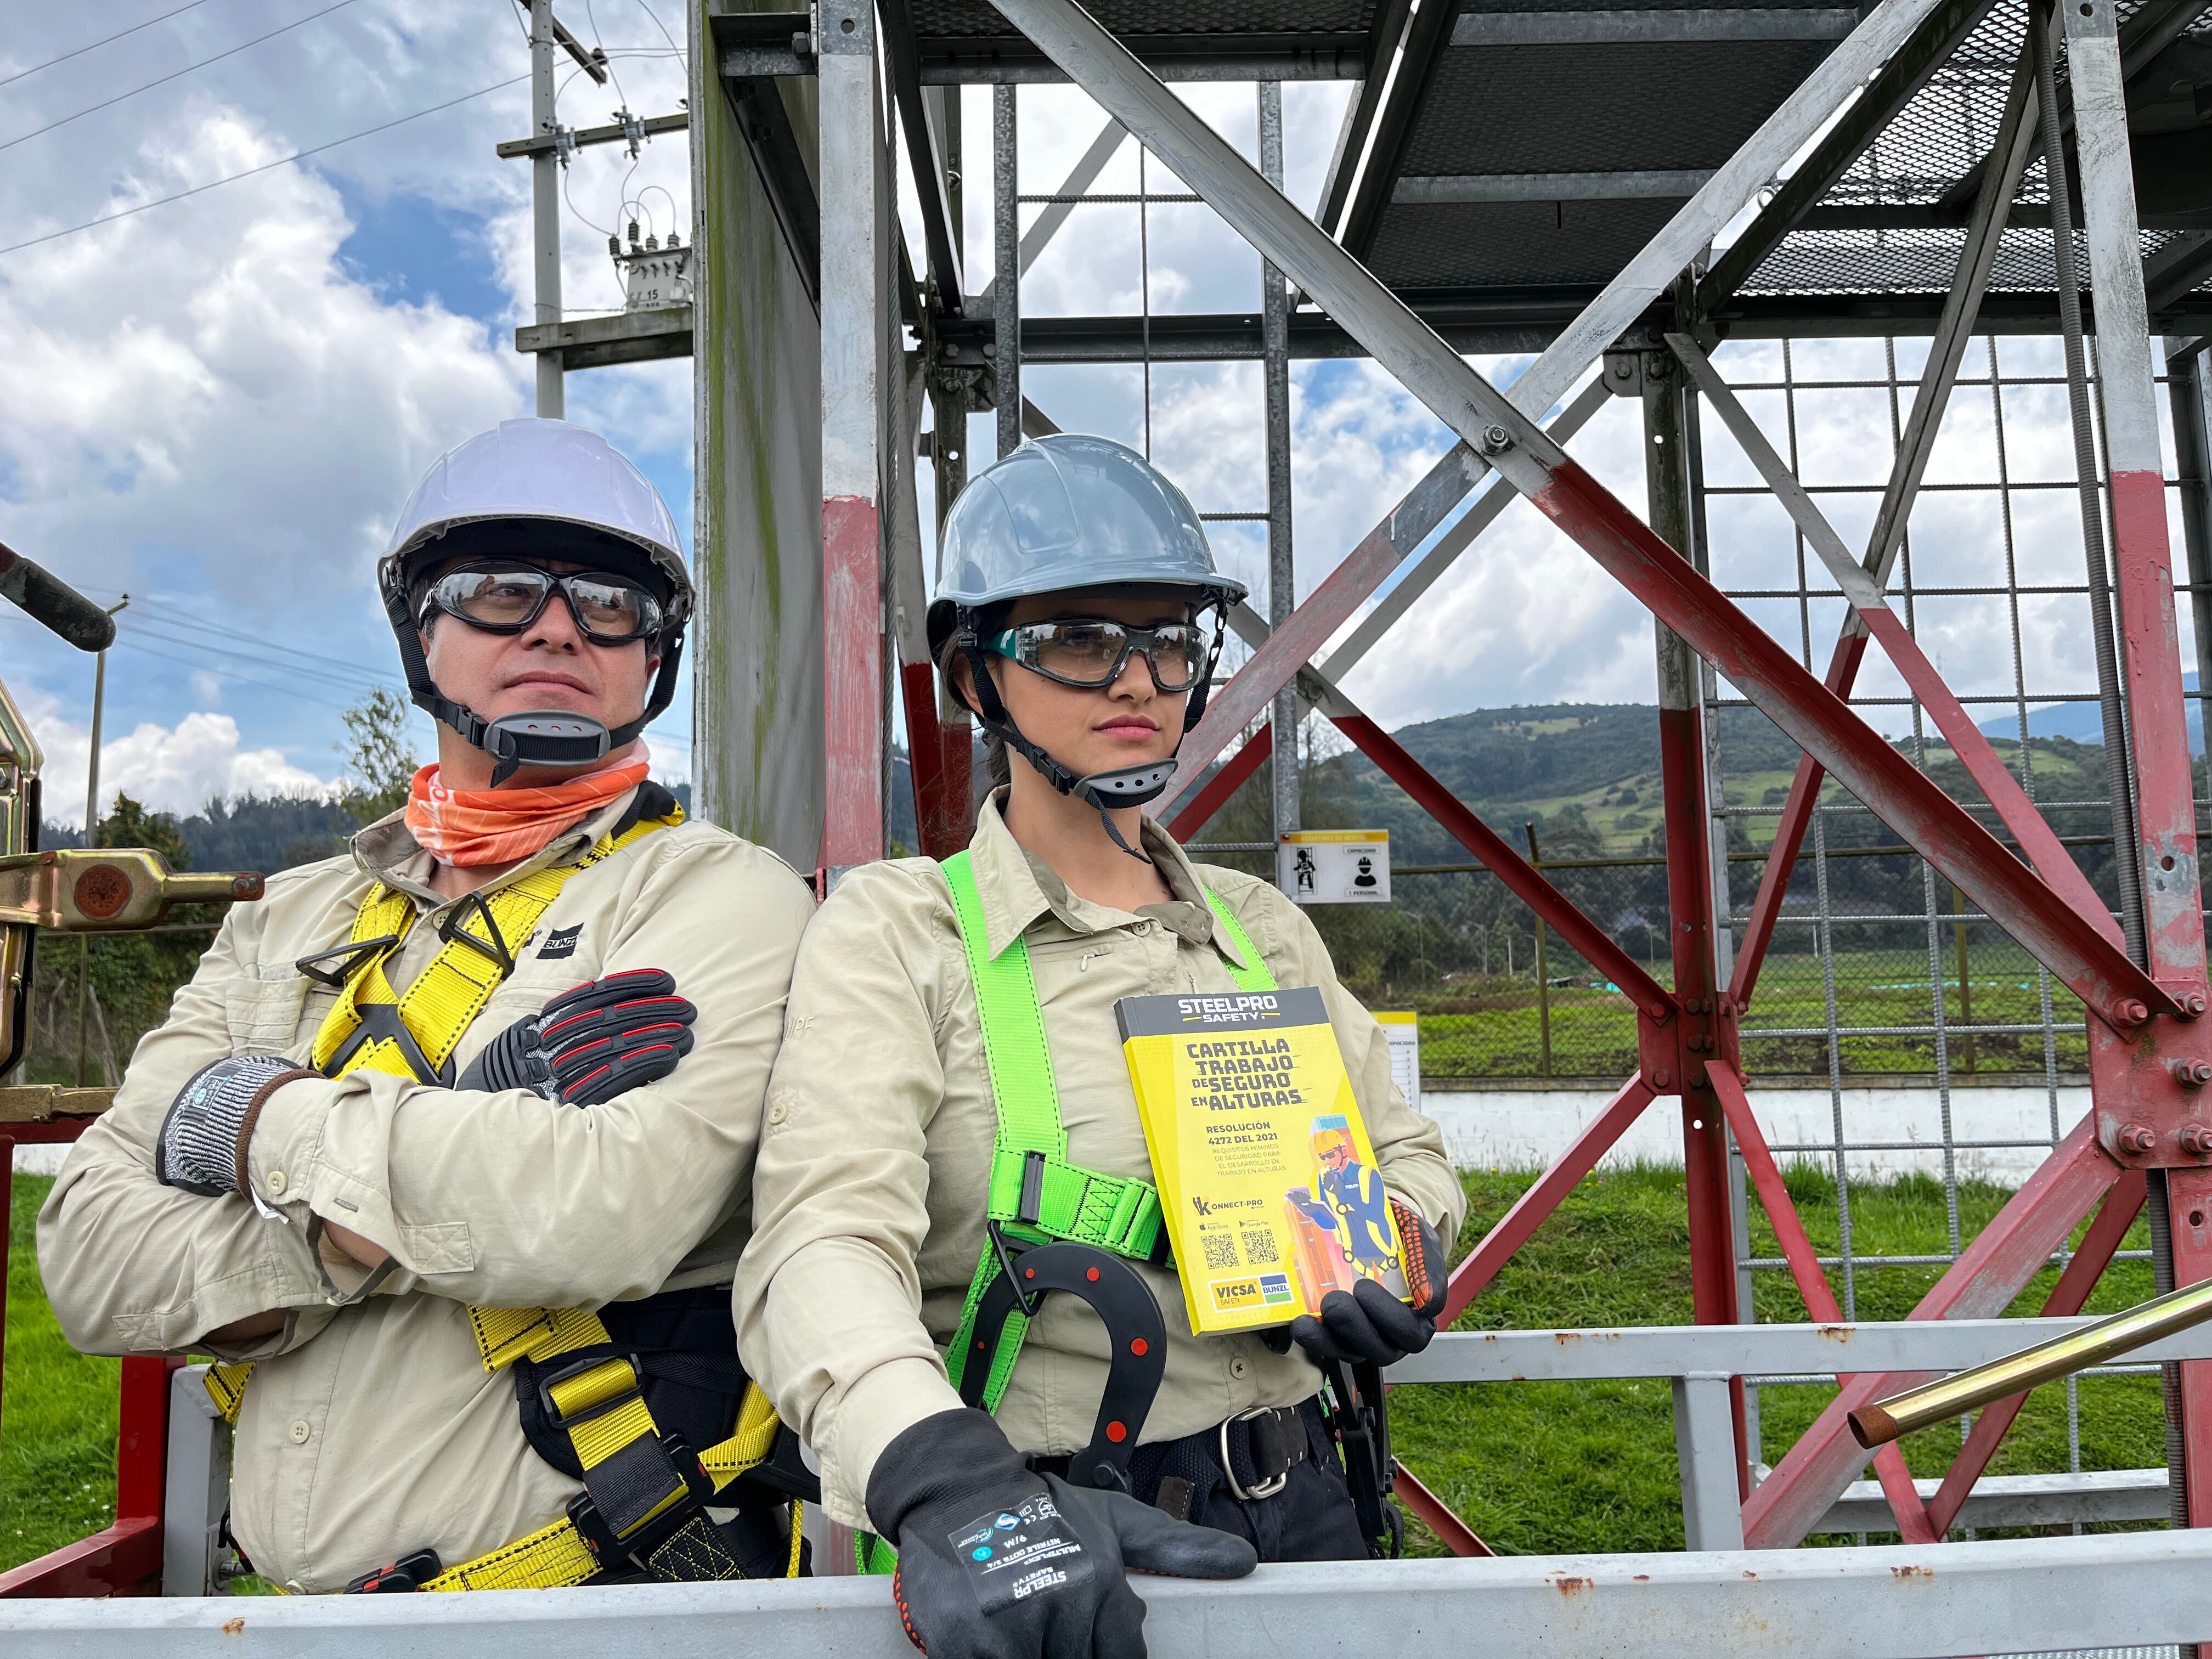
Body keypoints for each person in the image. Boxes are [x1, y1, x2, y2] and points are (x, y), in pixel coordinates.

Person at [38, 418, 816, 1594]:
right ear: (422, 632)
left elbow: (602, 1213)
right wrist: (398, 1196)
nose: (558, 626)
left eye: (610, 605)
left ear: (653, 655)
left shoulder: (718, 896)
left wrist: (253, 1125)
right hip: (305, 1624)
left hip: (606, 1609)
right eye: (503, 593)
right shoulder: (286, 921)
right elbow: (90, 1257)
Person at [736, 433, 1469, 1657]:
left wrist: (1400, 1244)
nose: (1138, 680)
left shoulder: (1261, 931)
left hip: (1309, 1500)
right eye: (1080, 640)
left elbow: (1411, 1155)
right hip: (1054, 1533)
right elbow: (822, 1242)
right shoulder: (905, 934)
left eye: (1168, 640)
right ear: (977, 676)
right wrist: (945, 1480)